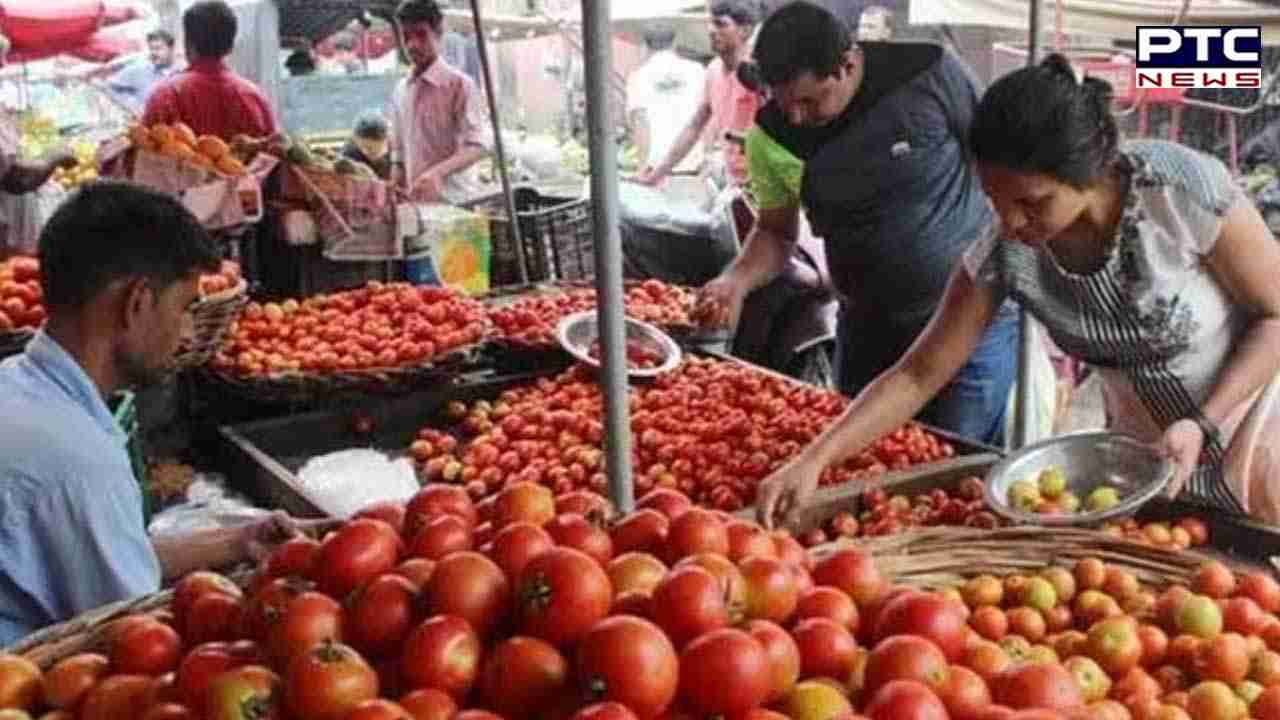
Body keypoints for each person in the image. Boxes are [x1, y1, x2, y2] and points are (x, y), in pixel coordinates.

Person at [756, 53, 1280, 529]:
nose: (1010, 222)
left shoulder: (1181, 190)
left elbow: (1275, 315)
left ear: (1089, 173)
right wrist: (815, 459)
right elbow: (918, 374)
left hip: (1254, 435)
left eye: (1032, 202)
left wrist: (1202, 422)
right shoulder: (1007, 252)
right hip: (1147, 460)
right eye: (993, 198)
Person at [700, 1, 1018, 445]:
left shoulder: (930, 73)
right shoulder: (771, 134)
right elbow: (774, 233)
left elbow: (999, 163)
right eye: (785, 102)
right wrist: (735, 280)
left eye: (809, 101)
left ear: (847, 63)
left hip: (969, 330)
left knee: (951, 464)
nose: (796, 117)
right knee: (862, 465)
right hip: (868, 333)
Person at [0, 182, 301, 642]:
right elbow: (136, 636)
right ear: (137, 304)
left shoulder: (17, 383)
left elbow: (113, 554)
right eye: (183, 308)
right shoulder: (75, 462)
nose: (185, 332)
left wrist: (239, 539)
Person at [637, 1, 761, 187]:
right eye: (710, 23)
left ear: (745, 30)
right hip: (735, 182)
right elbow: (694, 127)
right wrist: (658, 173)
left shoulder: (759, 71)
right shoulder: (712, 70)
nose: (711, 30)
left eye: (720, 24)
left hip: (765, 180)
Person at [387, 0, 492, 203]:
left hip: (456, 203)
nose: (412, 45)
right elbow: (398, 152)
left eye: (421, 34)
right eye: (406, 36)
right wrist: (393, 185)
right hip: (416, 205)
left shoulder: (461, 86)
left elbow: (478, 147)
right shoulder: (401, 90)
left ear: (438, 33)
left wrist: (437, 173)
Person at [143, 0, 278, 139]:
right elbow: (275, 153)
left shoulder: (165, 96)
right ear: (230, 46)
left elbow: (141, 154)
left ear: (188, 43)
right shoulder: (255, 99)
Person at [626, 26, 705, 173]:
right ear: (675, 42)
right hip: (694, 164)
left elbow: (640, 122)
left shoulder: (638, 77)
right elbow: (709, 115)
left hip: (657, 167)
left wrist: (641, 167)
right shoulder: (697, 70)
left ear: (645, 44)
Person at [105, 30, 179, 114]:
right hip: (148, 123)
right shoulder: (137, 70)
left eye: (158, 48)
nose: (154, 53)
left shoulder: (181, 72)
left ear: (171, 49)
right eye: (151, 49)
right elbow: (111, 87)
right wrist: (133, 105)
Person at [341, 111, 393, 179]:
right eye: (361, 146)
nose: (365, 152)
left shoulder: (397, 154)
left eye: (370, 148)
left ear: (386, 140)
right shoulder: (350, 152)